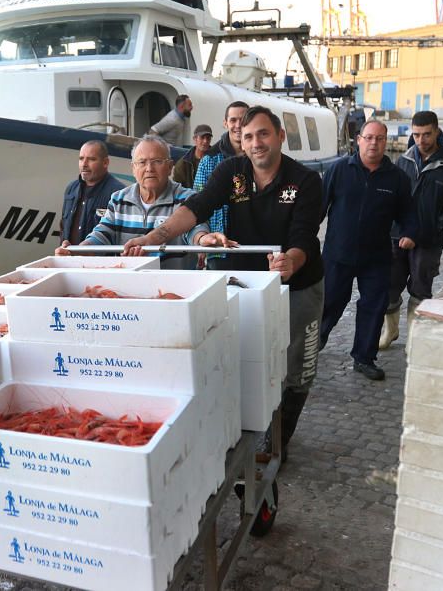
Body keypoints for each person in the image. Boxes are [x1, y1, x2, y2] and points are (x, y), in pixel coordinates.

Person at [123, 106, 324, 460]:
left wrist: (290, 261)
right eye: (248, 137)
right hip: (243, 281)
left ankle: (278, 440)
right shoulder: (232, 171)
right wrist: (156, 236)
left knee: (296, 367)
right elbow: (197, 207)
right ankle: (245, 425)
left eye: (263, 134)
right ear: (240, 142)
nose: (256, 143)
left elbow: (305, 237)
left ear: (280, 136)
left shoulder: (305, 181)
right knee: (242, 354)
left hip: (297, 283)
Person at [318, 121, 418, 381]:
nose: (374, 143)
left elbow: (408, 213)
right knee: (329, 303)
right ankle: (313, 345)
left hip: (376, 257)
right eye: (369, 137)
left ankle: (364, 357)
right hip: (337, 254)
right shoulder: (339, 170)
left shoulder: (397, 178)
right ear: (359, 140)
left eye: (380, 139)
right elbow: (318, 207)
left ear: (386, 142)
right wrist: (303, 237)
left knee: (373, 307)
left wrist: (409, 233)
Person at [380, 111, 443, 350]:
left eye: (427, 134)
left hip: (429, 241)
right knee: (389, 285)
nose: (421, 140)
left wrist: (424, 233)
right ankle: (391, 331)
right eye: (416, 134)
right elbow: (392, 198)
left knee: (420, 288)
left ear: (437, 131)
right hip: (396, 237)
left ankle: (414, 339)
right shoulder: (404, 160)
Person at [56, 135, 209, 269]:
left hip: (175, 291)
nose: (149, 168)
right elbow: (102, 235)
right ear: (133, 168)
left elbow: (195, 230)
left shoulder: (187, 199)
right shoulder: (119, 199)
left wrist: (203, 239)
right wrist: (77, 251)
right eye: (142, 162)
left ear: (170, 167)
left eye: (156, 161)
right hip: (128, 290)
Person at [193, 101, 249, 269]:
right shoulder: (209, 160)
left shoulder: (259, 157)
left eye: (243, 119)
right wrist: (201, 238)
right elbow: (198, 202)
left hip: (254, 245)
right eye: (233, 120)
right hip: (219, 248)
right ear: (225, 123)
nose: (238, 125)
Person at [60, 140, 125, 245]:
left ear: (105, 163)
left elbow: (121, 236)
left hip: (100, 261)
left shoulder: (118, 193)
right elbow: (63, 226)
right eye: (81, 159)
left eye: (91, 159)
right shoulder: (71, 188)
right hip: (69, 259)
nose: (84, 164)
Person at [172, 124, 213, 188]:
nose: (205, 141)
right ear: (195, 139)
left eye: (208, 138)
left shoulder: (217, 159)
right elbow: (176, 188)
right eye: (202, 137)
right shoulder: (183, 164)